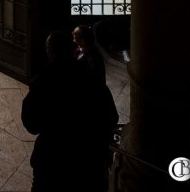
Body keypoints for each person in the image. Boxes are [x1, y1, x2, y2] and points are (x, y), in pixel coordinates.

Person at [21, 30, 118, 192]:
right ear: (73, 49)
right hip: (87, 162)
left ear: (49, 52)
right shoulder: (92, 81)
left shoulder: (42, 85)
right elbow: (111, 118)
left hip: (51, 161)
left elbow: (31, 124)